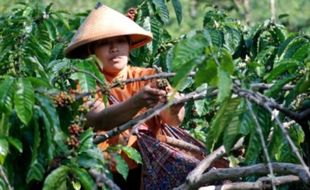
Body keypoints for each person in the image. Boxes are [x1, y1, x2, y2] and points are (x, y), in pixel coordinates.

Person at [64, 4, 208, 190]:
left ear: (129, 46)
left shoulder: (148, 76)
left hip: (144, 170)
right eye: (105, 43)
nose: (114, 48)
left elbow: (173, 120)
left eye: (120, 41)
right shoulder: (84, 82)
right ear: (93, 49)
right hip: (99, 172)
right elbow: (98, 119)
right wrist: (137, 102)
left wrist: (175, 106)